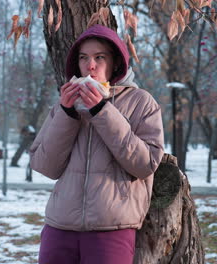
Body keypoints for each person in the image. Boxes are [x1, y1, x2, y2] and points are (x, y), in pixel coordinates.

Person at [29, 24, 164, 264]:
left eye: (99, 57)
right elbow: (45, 166)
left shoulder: (141, 102)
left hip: (112, 226)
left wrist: (102, 111)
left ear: (115, 63)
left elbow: (146, 164)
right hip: (60, 225)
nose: (90, 65)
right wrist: (66, 113)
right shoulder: (65, 104)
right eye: (84, 58)